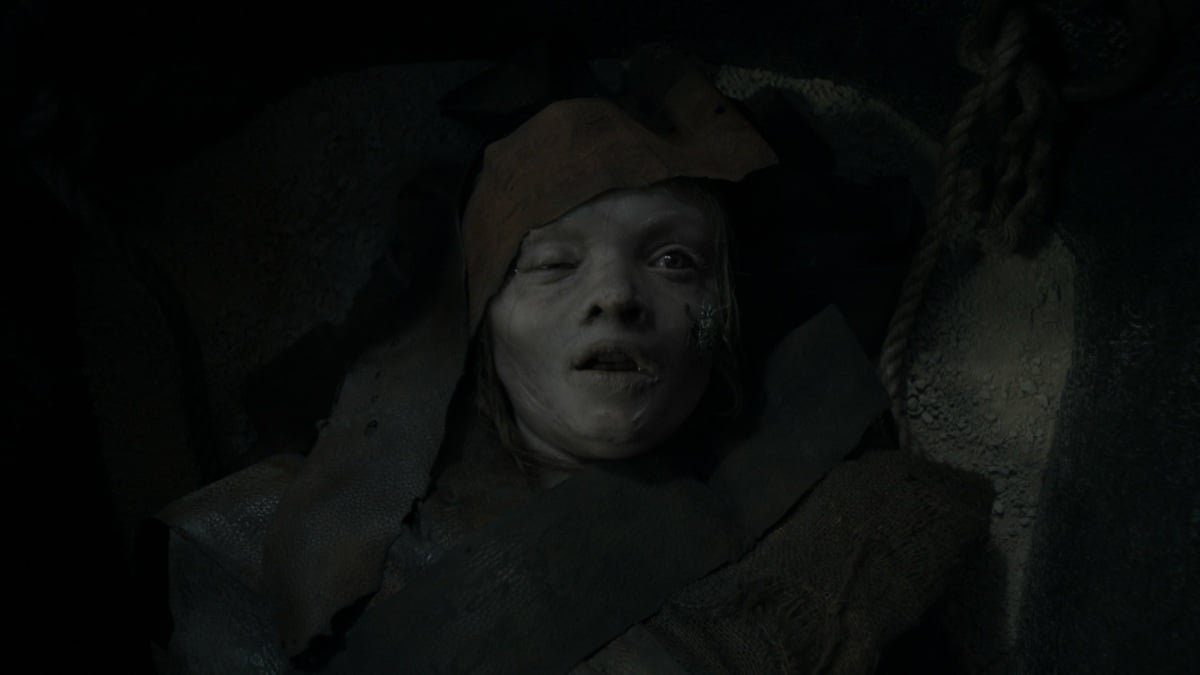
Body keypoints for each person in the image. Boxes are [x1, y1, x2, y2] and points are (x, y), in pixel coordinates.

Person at [145, 54, 991, 674]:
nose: (615, 296)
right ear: (485, 322)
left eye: (673, 263)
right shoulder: (257, 545)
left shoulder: (857, 534)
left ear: (722, 320)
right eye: (553, 264)